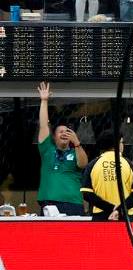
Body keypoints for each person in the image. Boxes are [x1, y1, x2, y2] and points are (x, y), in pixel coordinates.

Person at [35, 82, 87, 216]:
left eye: (67, 131)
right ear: (54, 137)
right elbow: (43, 126)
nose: (64, 133)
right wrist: (44, 101)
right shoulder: (47, 149)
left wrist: (77, 143)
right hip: (50, 203)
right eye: (60, 132)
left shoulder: (75, 150)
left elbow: (83, 164)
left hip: (74, 203)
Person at [80, 130, 133, 221]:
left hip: (100, 216)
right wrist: (119, 210)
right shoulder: (129, 164)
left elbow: (87, 194)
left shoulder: (93, 165)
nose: (123, 145)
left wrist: (110, 208)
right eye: (122, 142)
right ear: (117, 144)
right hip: (125, 217)